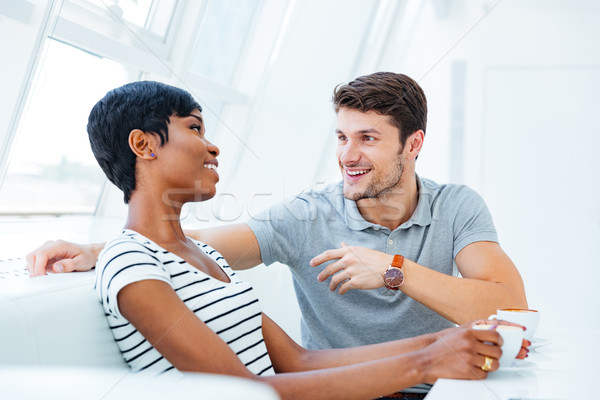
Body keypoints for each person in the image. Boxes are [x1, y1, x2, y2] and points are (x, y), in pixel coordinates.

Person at [27, 72, 527, 348]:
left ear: (413, 144)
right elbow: (195, 244)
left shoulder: (457, 206)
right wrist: (97, 249)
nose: (348, 156)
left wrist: (395, 270)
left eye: (368, 139)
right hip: (340, 389)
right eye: (342, 137)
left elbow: (509, 306)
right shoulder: (306, 215)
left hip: (440, 387)